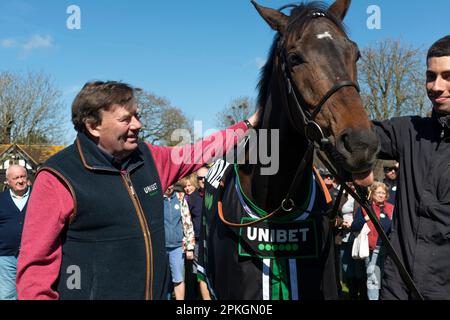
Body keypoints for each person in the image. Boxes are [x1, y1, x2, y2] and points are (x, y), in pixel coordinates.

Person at [16, 81, 258, 300]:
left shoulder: (149, 158)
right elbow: (35, 269)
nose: (138, 125)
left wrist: (249, 124)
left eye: (137, 116)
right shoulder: (58, 177)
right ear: (93, 126)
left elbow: (200, 152)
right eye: (125, 119)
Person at [371, 35, 450, 300]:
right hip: (397, 288)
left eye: (448, 76)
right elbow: (352, 134)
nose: (436, 86)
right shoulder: (409, 131)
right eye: (431, 76)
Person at [350, 182, 393, 300]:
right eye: (379, 192)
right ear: (372, 194)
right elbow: (354, 227)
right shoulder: (365, 208)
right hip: (372, 249)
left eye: (384, 193)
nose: (381, 195)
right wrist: (365, 219)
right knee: (373, 277)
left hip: (387, 249)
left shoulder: (390, 208)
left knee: (384, 276)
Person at [0, 165, 31, 300]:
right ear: (8, 181)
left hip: (33, 255)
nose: (20, 180)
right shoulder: (1, 199)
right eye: (16, 178)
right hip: (6, 256)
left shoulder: (39, 196)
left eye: (22, 176)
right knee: (8, 295)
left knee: (31, 293)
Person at [164, 184, 195, 300]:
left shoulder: (180, 197)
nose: (169, 186)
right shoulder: (156, 198)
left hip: (177, 246)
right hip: (160, 246)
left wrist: (189, 246)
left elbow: (187, 222)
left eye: (171, 183)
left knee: (178, 279)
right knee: (163, 280)